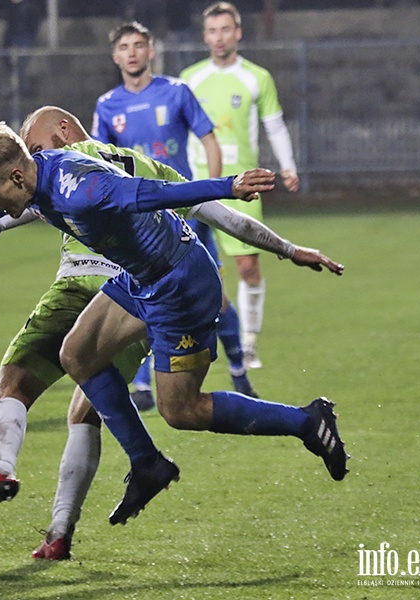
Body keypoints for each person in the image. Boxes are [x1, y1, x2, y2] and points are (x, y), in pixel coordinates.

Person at [0, 117, 347, 554]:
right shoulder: (39, 173)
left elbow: (154, 194)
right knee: (76, 355)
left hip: (181, 285)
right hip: (138, 279)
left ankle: (307, 421)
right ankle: (147, 462)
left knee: (181, 410)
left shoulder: (84, 189)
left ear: (16, 179)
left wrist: (230, 187)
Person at [92, 21, 254, 409]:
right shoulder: (107, 105)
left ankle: (238, 367)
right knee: (146, 296)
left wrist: (209, 196)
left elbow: (209, 141)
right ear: (116, 57)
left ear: (151, 51)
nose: (132, 52)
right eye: (124, 47)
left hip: (185, 217)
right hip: (139, 225)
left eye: (138, 45)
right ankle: (144, 384)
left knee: (217, 301)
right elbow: (97, 161)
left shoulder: (176, 92)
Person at [181, 1, 300, 369]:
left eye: (226, 30)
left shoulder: (256, 78)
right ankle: (195, 340)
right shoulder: (190, 78)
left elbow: (275, 124)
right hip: (196, 188)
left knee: (248, 267)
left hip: (243, 187)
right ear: (205, 37)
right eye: (212, 31)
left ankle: (248, 343)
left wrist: (288, 166)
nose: (219, 38)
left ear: (238, 33)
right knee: (190, 270)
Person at [3, 0, 42, 95]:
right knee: (15, 66)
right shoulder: (11, 8)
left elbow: (34, 24)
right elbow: (9, 26)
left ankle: (23, 89)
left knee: (21, 65)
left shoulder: (30, 7)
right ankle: (18, 89)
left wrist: (30, 37)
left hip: (25, 40)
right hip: (13, 40)